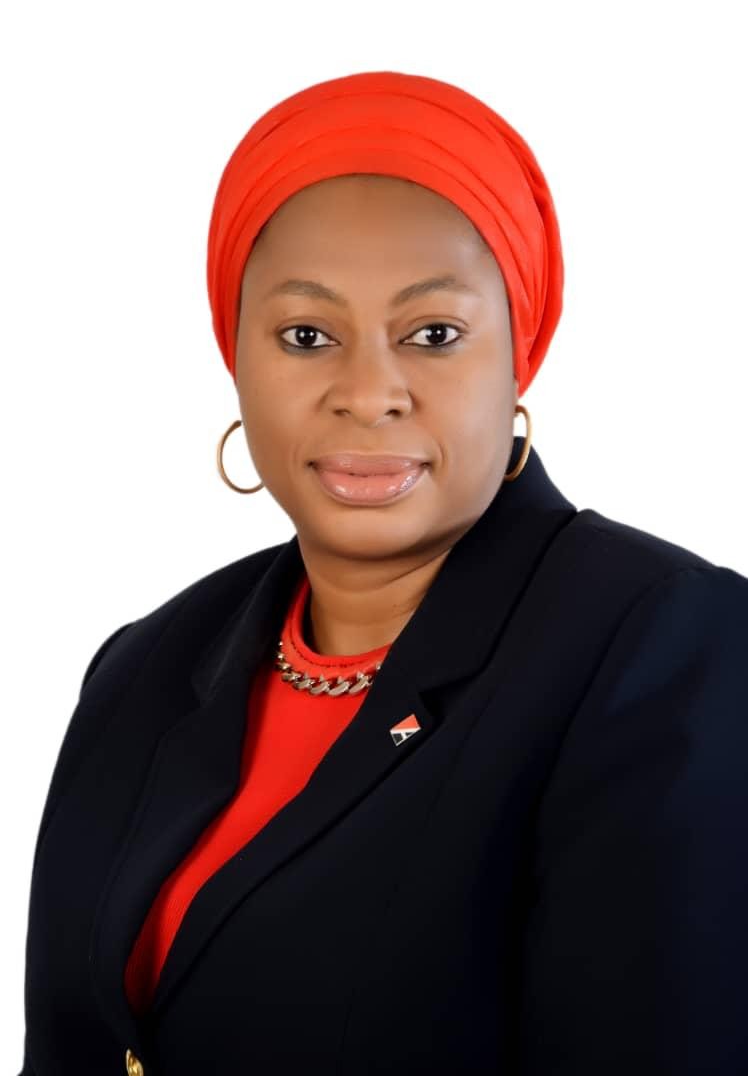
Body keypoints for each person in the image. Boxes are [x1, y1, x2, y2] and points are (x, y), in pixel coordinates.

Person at [16, 70, 748, 1076]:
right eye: (306, 336)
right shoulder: (142, 667)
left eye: (434, 335)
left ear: (520, 354)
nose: (368, 394)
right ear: (236, 356)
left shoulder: (666, 648)